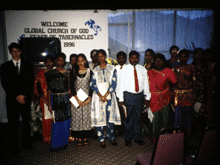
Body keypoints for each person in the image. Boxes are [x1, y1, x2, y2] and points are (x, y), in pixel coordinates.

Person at [0, 42, 34, 154]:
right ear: (10, 52)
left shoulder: (28, 65)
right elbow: (5, 83)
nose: (16, 54)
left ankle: (27, 143)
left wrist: (23, 95)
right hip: (12, 99)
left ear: (21, 52)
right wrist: (16, 95)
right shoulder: (4, 66)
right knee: (13, 124)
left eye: (18, 51)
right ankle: (13, 146)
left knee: (26, 122)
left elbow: (30, 82)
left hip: (25, 98)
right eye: (13, 51)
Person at [118, 50, 151, 146]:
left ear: (138, 59)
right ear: (129, 59)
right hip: (128, 96)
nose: (134, 60)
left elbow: (146, 84)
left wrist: (147, 97)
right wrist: (121, 99)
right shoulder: (124, 70)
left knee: (138, 118)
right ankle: (128, 138)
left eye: (136, 58)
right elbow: (120, 85)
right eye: (132, 58)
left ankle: (137, 137)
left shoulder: (142, 69)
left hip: (139, 96)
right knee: (128, 118)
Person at [90, 49, 121, 148]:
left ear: (105, 56)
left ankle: (111, 137)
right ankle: (101, 139)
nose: (100, 58)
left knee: (109, 118)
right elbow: (92, 84)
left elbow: (114, 82)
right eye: (98, 56)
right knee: (100, 119)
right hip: (98, 97)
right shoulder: (95, 70)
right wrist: (100, 95)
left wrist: (106, 94)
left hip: (109, 97)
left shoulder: (112, 68)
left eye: (102, 56)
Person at [45, 53, 71, 152]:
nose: (61, 62)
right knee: (57, 123)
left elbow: (70, 89)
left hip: (66, 99)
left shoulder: (68, 73)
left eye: (62, 60)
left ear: (64, 61)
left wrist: (71, 100)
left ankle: (64, 143)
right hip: (55, 99)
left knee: (66, 122)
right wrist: (49, 104)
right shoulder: (50, 74)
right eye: (58, 60)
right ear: (55, 61)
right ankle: (56, 145)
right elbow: (49, 90)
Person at [148, 54, 177, 141]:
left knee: (165, 118)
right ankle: (154, 136)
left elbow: (174, 82)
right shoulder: (150, 72)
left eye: (160, 61)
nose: (158, 63)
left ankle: (164, 136)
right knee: (155, 118)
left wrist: (168, 89)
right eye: (156, 61)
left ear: (164, 62)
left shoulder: (168, 71)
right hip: (153, 98)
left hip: (165, 97)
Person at [70, 54, 93, 148]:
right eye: (78, 61)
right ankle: (79, 139)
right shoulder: (73, 71)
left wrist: (89, 98)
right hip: (77, 99)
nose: (80, 62)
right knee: (77, 118)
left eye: (82, 60)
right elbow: (71, 86)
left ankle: (85, 138)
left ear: (85, 61)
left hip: (87, 99)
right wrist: (77, 98)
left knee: (86, 119)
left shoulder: (89, 71)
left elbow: (92, 86)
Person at [173, 49, 196, 135]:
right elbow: (172, 82)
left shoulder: (192, 67)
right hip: (177, 94)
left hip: (188, 94)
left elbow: (194, 82)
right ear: (179, 57)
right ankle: (177, 135)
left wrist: (194, 95)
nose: (183, 59)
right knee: (177, 116)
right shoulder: (175, 68)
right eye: (181, 57)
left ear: (188, 57)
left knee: (188, 116)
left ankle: (187, 136)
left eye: (185, 57)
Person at [32, 55, 54, 144]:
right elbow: (38, 88)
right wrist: (44, 100)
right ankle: (47, 137)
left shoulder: (56, 72)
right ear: (45, 63)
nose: (49, 64)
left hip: (56, 99)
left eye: (50, 61)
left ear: (54, 62)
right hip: (44, 99)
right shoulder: (41, 74)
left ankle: (56, 136)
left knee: (55, 118)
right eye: (47, 62)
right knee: (47, 119)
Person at [115, 51, 127, 136]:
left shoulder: (129, 68)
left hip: (127, 93)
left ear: (126, 59)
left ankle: (128, 129)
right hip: (117, 93)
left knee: (127, 112)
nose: (121, 59)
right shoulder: (114, 68)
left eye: (123, 58)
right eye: (119, 58)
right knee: (119, 112)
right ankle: (120, 129)